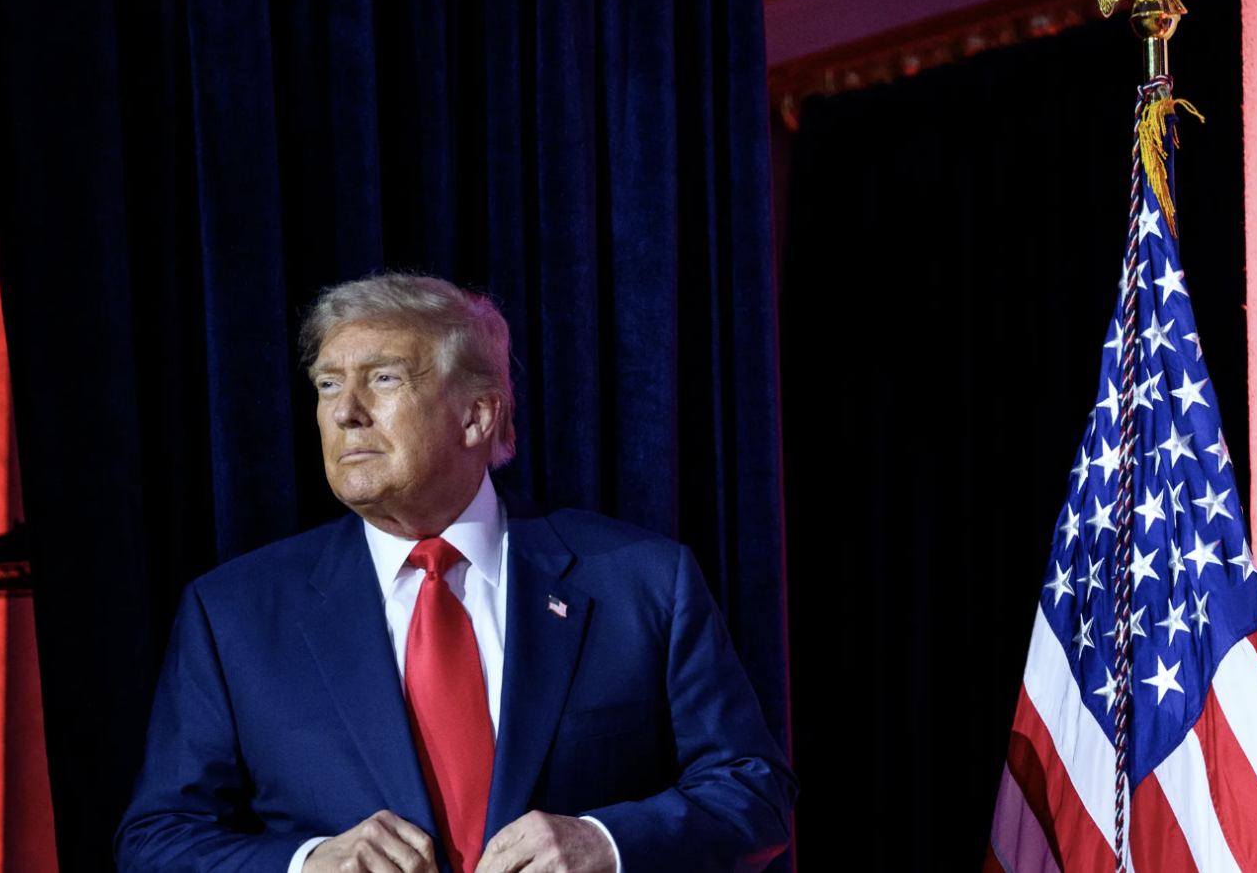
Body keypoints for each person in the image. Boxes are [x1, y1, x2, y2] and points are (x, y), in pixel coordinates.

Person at [115, 274, 796, 873]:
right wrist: (306, 863)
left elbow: (754, 791)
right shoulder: (232, 614)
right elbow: (156, 841)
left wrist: (606, 844)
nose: (345, 411)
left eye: (383, 378)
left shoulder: (641, 581)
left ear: (477, 415)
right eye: (328, 384)